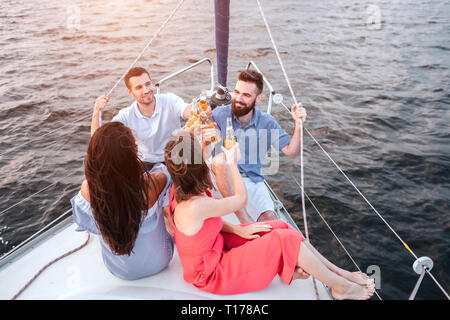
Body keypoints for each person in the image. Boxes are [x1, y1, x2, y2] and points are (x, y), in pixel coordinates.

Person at [164, 131, 375, 299]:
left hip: (216, 246)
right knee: (283, 239)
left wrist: (238, 228)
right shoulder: (194, 206)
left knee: (279, 226)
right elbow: (240, 200)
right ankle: (340, 287)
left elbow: (207, 225)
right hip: (212, 273)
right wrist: (232, 164)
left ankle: (340, 274)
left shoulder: (182, 186)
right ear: (196, 167)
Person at [70, 121, 174, 280]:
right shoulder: (151, 184)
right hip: (161, 261)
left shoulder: (88, 190)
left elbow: (87, 223)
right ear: (131, 155)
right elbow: (169, 171)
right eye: (135, 146)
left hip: (119, 271)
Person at [211, 69, 306, 223]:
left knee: (271, 221)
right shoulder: (219, 114)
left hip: (251, 179)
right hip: (222, 177)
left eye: (246, 95)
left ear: (258, 98)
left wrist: (298, 124)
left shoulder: (267, 122)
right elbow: (203, 146)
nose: (239, 99)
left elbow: (291, 152)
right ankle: (245, 220)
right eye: (237, 92)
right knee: (221, 161)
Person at [91, 67, 211, 170]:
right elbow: (98, 141)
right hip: (146, 164)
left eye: (148, 84)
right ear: (130, 92)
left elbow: (188, 111)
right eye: (139, 87)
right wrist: (96, 111)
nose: (146, 90)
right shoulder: (126, 116)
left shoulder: (169, 100)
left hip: (176, 157)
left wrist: (201, 111)